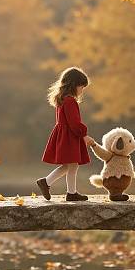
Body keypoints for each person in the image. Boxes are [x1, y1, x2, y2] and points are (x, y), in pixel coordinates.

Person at [37, 67, 95, 201]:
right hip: (69, 137)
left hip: (65, 135)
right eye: (81, 87)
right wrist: (83, 133)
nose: (82, 90)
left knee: (70, 165)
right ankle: (65, 190)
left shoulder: (62, 99)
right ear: (74, 85)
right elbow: (74, 122)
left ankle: (55, 185)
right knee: (72, 164)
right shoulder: (69, 101)